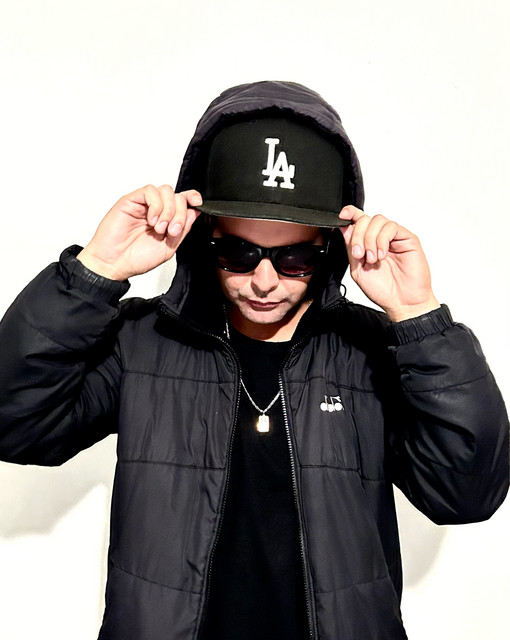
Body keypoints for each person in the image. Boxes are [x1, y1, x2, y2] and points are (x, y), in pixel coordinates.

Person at [0, 80, 508, 640]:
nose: (264, 281)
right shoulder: (141, 340)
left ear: (329, 247)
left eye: (295, 257)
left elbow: (467, 494)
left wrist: (418, 316)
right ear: (205, 238)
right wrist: (95, 271)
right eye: (238, 252)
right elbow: (15, 425)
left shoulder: (375, 351)